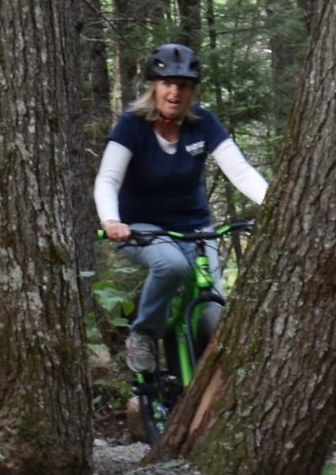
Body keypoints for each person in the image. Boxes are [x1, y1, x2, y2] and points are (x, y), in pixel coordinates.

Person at [93, 43, 270, 373]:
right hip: (141, 228)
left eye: (183, 85)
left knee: (213, 315)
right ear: (154, 87)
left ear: (192, 90)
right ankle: (143, 334)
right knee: (171, 265)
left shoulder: (203, 123)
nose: (175, 92)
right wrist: (112, 220)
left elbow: (241, 171)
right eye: (167, 83)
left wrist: (276, 204)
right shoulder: (132, 125)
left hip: (196, 228)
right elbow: (108, 179)